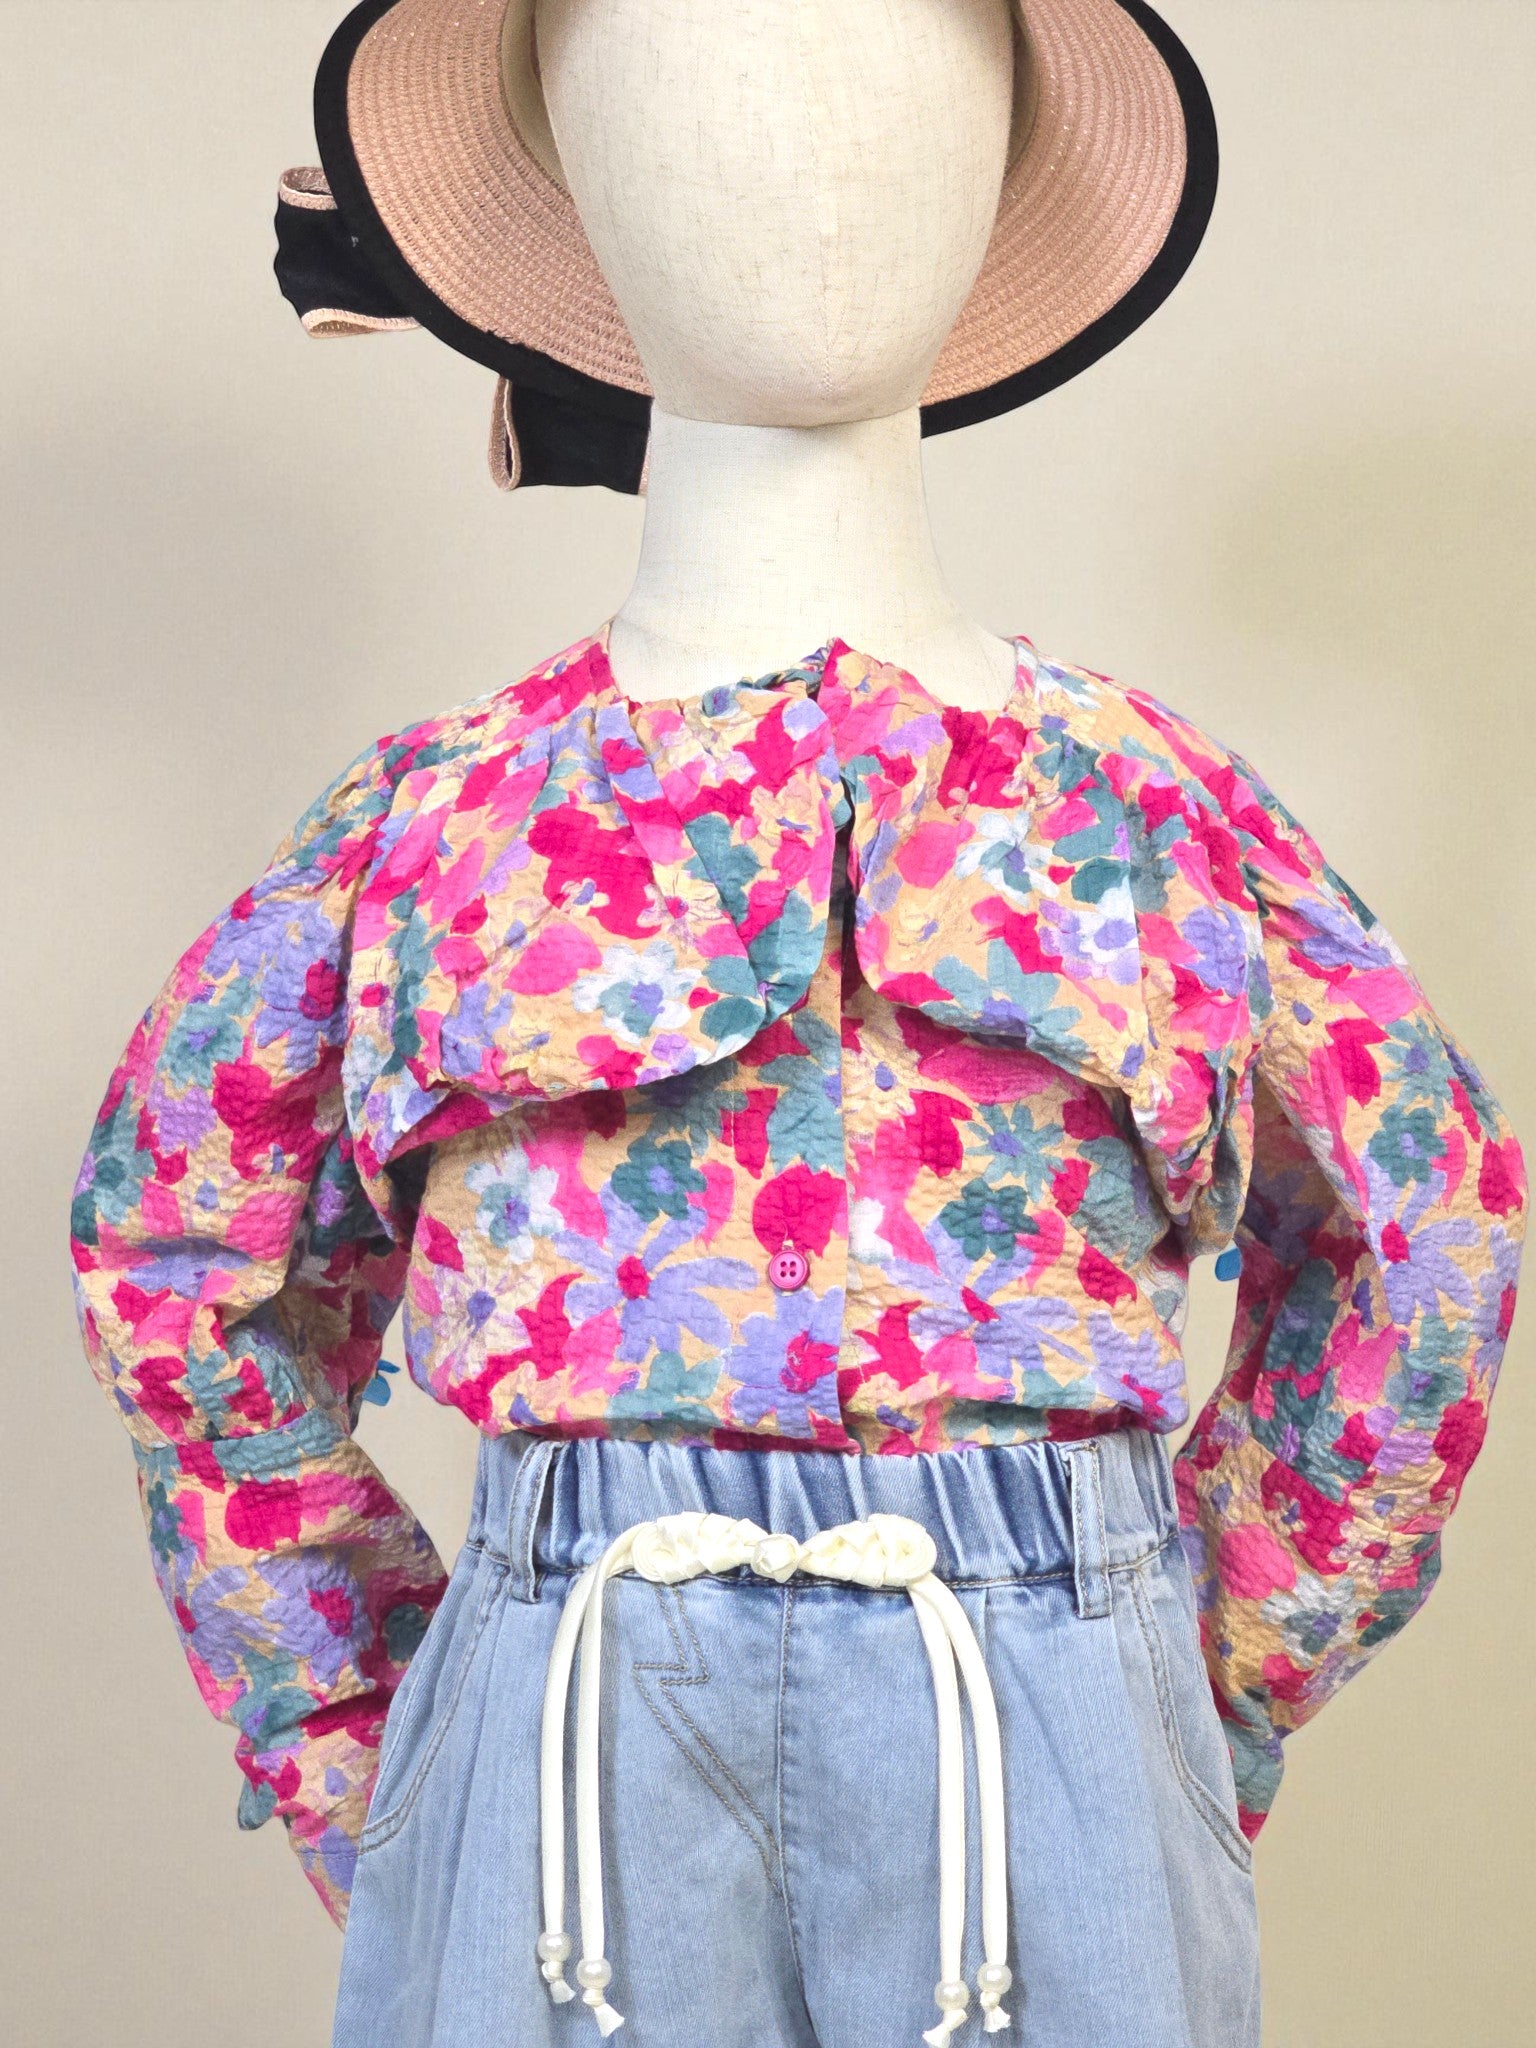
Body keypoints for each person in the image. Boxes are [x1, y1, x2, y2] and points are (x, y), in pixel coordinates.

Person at [68, 4, 1525, 2045]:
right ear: (566, 176)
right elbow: (178, 1257)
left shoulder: (1147, 804)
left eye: (909, 49)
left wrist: (1194, 1673)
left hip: (1045, 1708)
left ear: (1010, 149)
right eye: (683, 50)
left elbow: (1426, 1225)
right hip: (576, 1714)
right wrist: (363, 1723)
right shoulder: (439, 819)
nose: (811, 135)